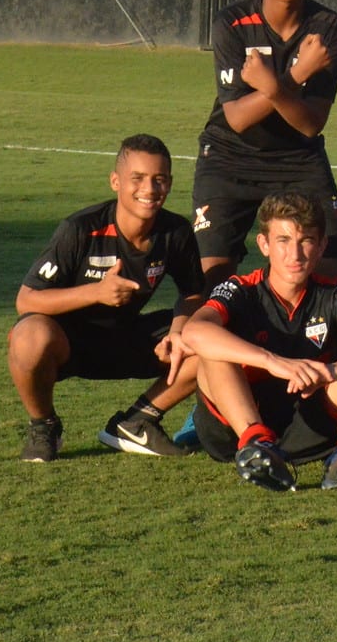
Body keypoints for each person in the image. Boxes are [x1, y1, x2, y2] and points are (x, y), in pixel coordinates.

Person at [176, 193, 337, 493]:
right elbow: (194, 332)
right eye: (283, 240)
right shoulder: (240, 289)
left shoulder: (335, 294)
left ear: (322, 245)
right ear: (264, 245)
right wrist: (272, 362)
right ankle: (259, 445)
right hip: (237, 428)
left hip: (308, 422)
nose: (295, 254)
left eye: (307, 240)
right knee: (212, 351)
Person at [10, 134, 206, 461]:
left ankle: (137, 421)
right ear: (115, 181)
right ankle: (44, 425)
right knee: (28, 336)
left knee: (210, 337)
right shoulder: (80, 229)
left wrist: (177, 331)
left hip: (128, 337)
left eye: (159, 179)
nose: (149, 189)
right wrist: (95, 292)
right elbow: (26, 300)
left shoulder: (175, 232)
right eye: (138, 179)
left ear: (170, 183)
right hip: (68, 343)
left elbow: (194, 292)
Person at [192, 0, 337, 285]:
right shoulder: (232, 22)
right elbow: (236, 117)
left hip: (297, 158)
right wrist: (296, 76)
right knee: (211, 280)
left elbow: (311, 123)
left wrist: (272, 85)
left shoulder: (329, 28)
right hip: (230, 155)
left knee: (333, 273)